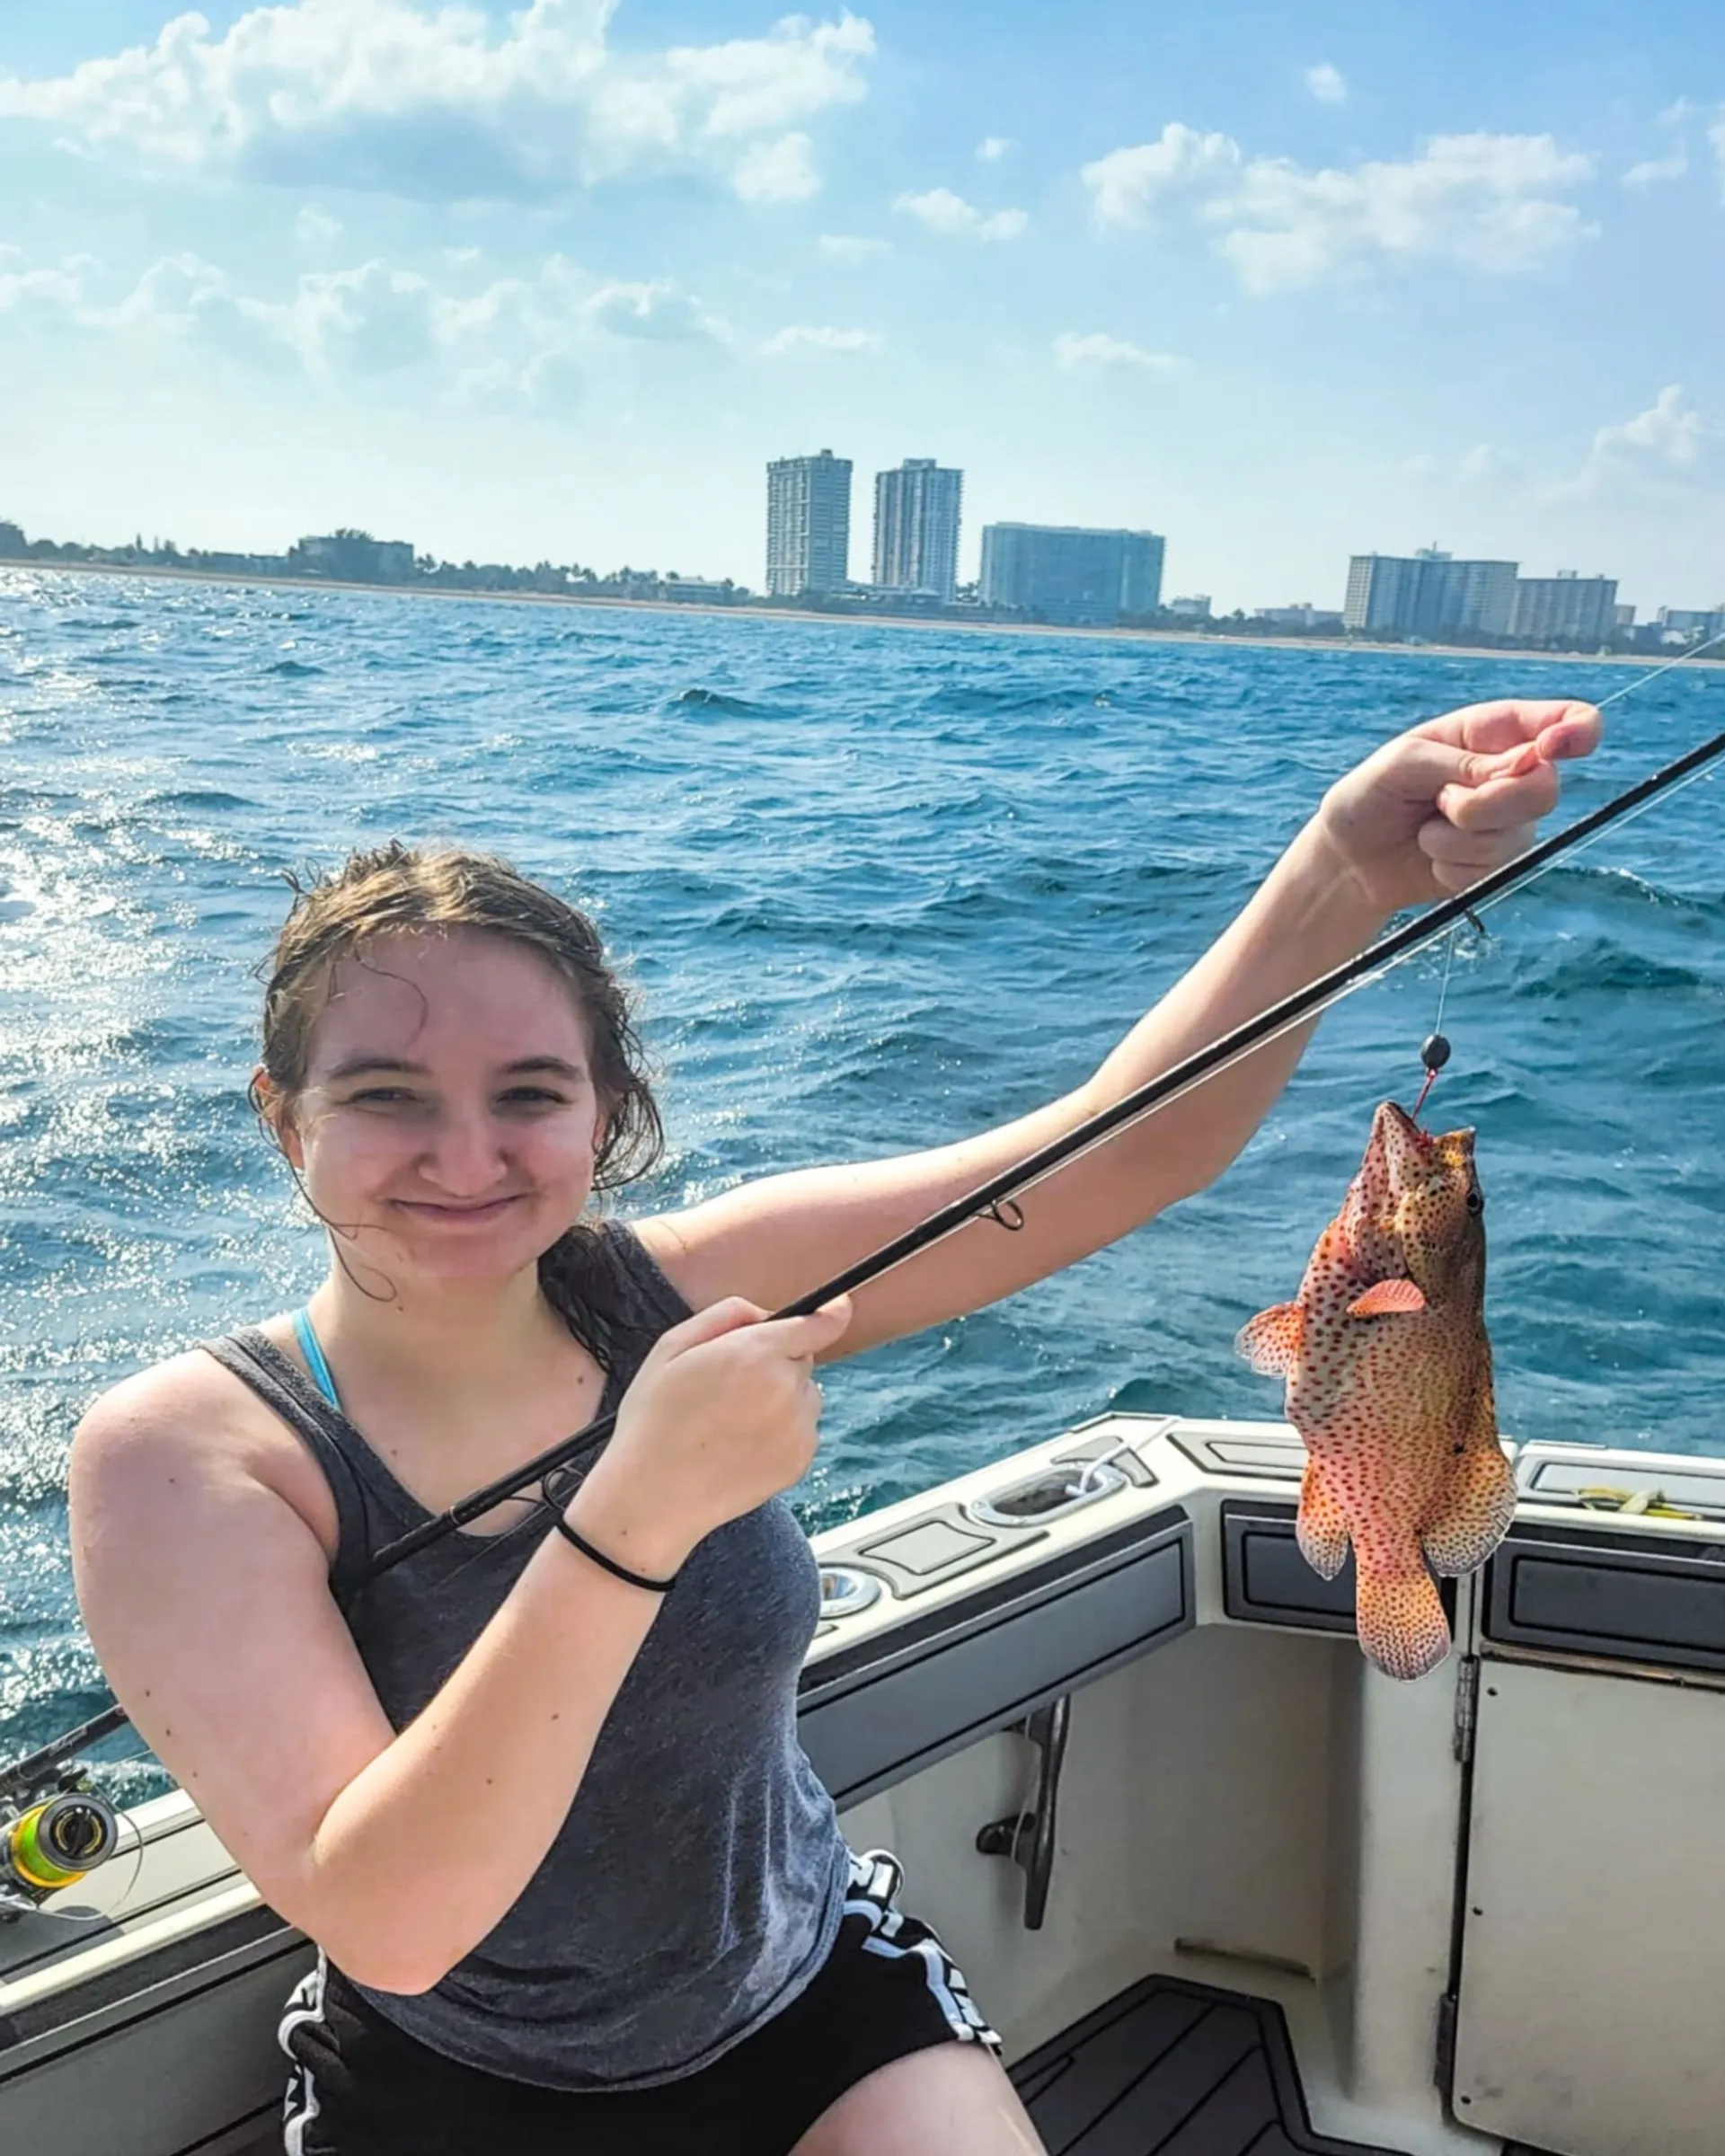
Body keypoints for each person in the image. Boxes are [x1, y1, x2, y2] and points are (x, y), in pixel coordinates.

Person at [69, 696, 1600, 2156]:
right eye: (388, 1095)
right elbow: (393, 1917)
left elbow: (1100, 1164)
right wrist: (636, 1516)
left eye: (530, 1093)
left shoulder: (685, 1289)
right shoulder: (193, 1458)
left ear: (603, 1113)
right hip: (456, 2072)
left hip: (806, 1989)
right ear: (286, 1117)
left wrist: (1343, 868)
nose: (463, 1156)